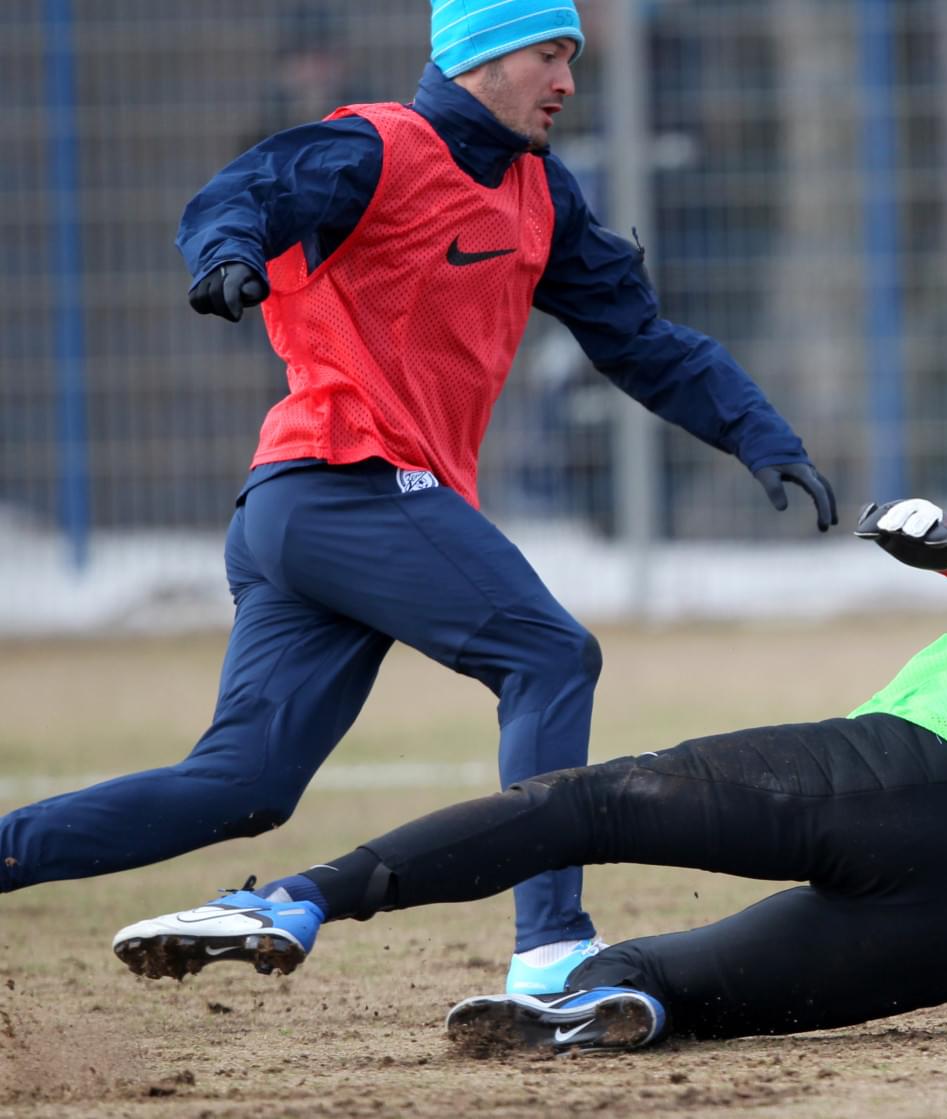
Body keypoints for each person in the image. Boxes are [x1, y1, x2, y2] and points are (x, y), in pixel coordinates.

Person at [109, 431, 947, 1053]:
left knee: (587, 803)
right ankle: (603, 1006)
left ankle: (296, 900)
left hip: (897, 783)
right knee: (683, 991)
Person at [0, 0, 837, 1000]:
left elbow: (641, 340)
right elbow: (242, 192)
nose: (568, 81)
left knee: (242, 788)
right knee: (549, 655)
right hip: (345, 482)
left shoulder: (540, 193)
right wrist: (226, 256)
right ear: (483, 56)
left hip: (304, 512)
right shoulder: (375, 148)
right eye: (549, 54)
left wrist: (758, 432)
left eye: (571, 55)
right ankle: (551, 951)